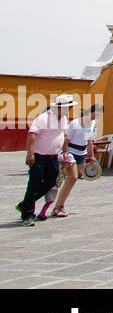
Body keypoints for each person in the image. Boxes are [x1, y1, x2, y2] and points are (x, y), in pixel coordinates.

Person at [16, 95, 75, 226]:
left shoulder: (63, 119)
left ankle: (25, 204)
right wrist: (30, 154)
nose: (71, 109)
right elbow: (32, 134)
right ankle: (28, 215)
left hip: (53, 157)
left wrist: (65, 152)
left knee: (50, 182)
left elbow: (64, 136)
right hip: (39, 156)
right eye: (69, 107)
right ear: (61, 107)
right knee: (34, 184)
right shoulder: (44, 118)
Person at [43, 102, 102, 220]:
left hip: (81, 154)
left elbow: (90, 140)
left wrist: (91, 156)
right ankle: (40, 204)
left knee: (71, 180)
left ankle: (59, 206)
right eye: (96, 113)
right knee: (58, 180)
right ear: (91, 111)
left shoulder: (93, 123)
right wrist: (65, 154)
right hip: (70, 153)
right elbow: (66, 139)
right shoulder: (75, 123)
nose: (96, 116)